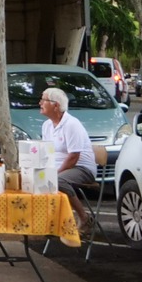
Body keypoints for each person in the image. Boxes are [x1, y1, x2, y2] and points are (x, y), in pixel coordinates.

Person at [39, 85, 97, 215]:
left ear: (56, 105)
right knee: (32, 178)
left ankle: (84, 218)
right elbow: (46, 152)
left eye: (44, 100)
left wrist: (54, 173)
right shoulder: (46, 125)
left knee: (57, 181)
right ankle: (48, 221)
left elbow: (73, 157)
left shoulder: (71, 124)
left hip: (81, 168)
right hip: (59, 167)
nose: (40, 103)